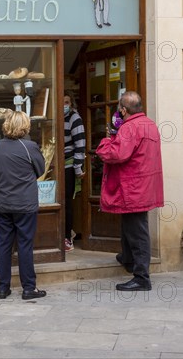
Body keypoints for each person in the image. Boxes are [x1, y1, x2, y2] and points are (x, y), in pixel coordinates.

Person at [95, 91, 164, 291]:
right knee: (130, 225)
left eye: (120, 110)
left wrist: (106, 141)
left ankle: (142, 277)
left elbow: (116, 154)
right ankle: (127, 258)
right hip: (144, 186)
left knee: (137, 231)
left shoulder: (130, 128)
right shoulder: (150, 125)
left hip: (133, 187)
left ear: (124, 110)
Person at [0, 111, 46, 300]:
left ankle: (3, 287)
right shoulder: (30, 146)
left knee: (3, 244)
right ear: (25, 126)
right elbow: (40, 170)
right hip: (25, 203)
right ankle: (29, 288)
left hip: (2, 202)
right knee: (24, 245)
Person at [63, 91, 85, 252]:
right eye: (62, 102)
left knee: (66, 202)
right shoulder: (56, 117)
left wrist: (77, 168)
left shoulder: (74, 119)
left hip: (68, 165)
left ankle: (66, 238)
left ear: (71, 104)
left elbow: (80, 146)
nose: (64, 105)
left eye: (67, 102)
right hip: (56, 165)